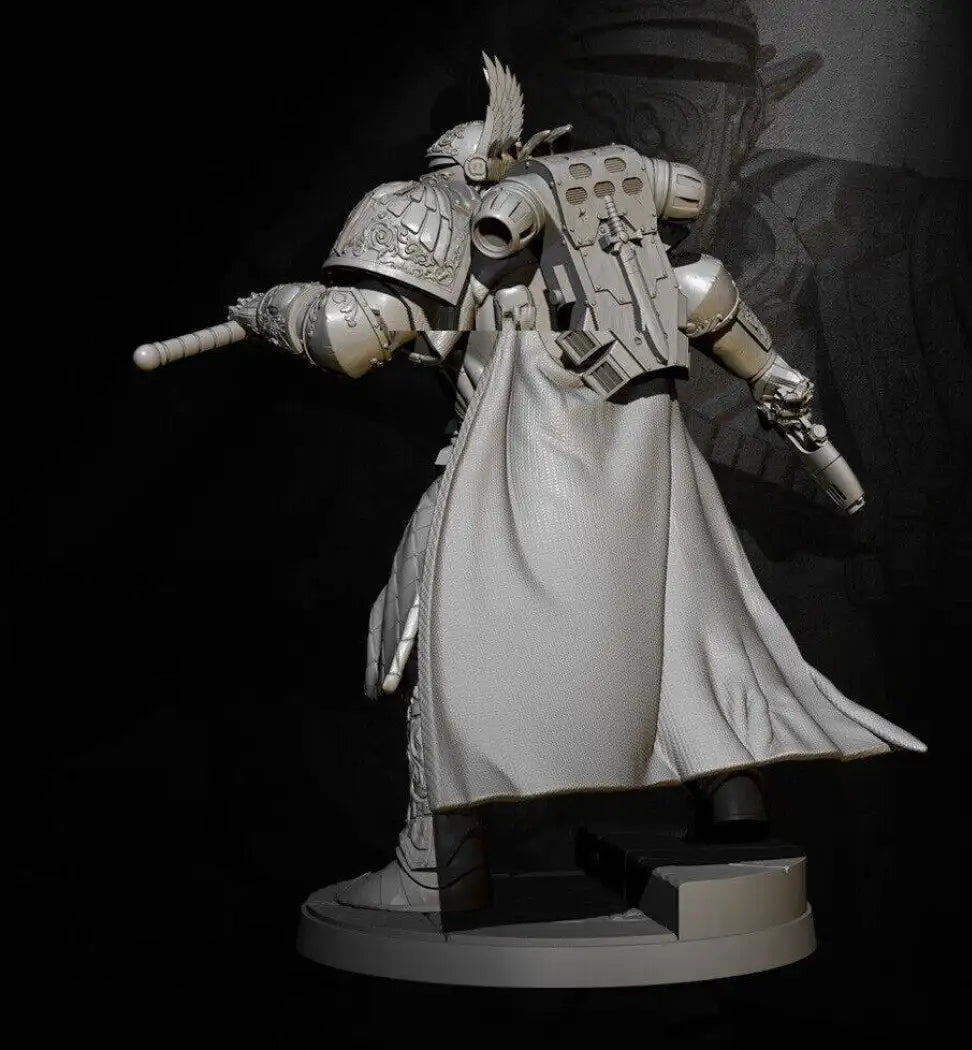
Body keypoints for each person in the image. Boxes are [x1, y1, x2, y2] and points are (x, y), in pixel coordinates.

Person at [218, 55, 925, 913]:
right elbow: (711, 304)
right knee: (690, 634)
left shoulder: (450, 220)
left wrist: (269, 310)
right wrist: (777, 385)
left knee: (446, 644)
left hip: (516, 480)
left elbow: (353, 336)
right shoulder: (606, 226)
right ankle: (733, 806)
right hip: (648, 485)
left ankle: (437, 867)